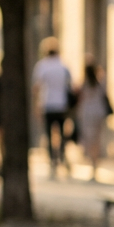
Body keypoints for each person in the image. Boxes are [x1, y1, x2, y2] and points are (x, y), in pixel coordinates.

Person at [32, 37, 72, 179]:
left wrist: (36, 105)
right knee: (61, 132)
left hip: (47, 104)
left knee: (49, 133)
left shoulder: (42, 66)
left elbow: (36, 87)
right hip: (61, 104)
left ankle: (52, 160)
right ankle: (61, 155)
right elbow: (70, 86)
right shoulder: (63, 65)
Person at [77, 62, 110, 182]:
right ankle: (95, 164)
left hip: (88, 115)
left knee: (90, 140)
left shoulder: (83, 84)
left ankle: (93, 164)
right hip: (98, 114)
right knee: (96, 140)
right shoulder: (99, 82)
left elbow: (79, 99)